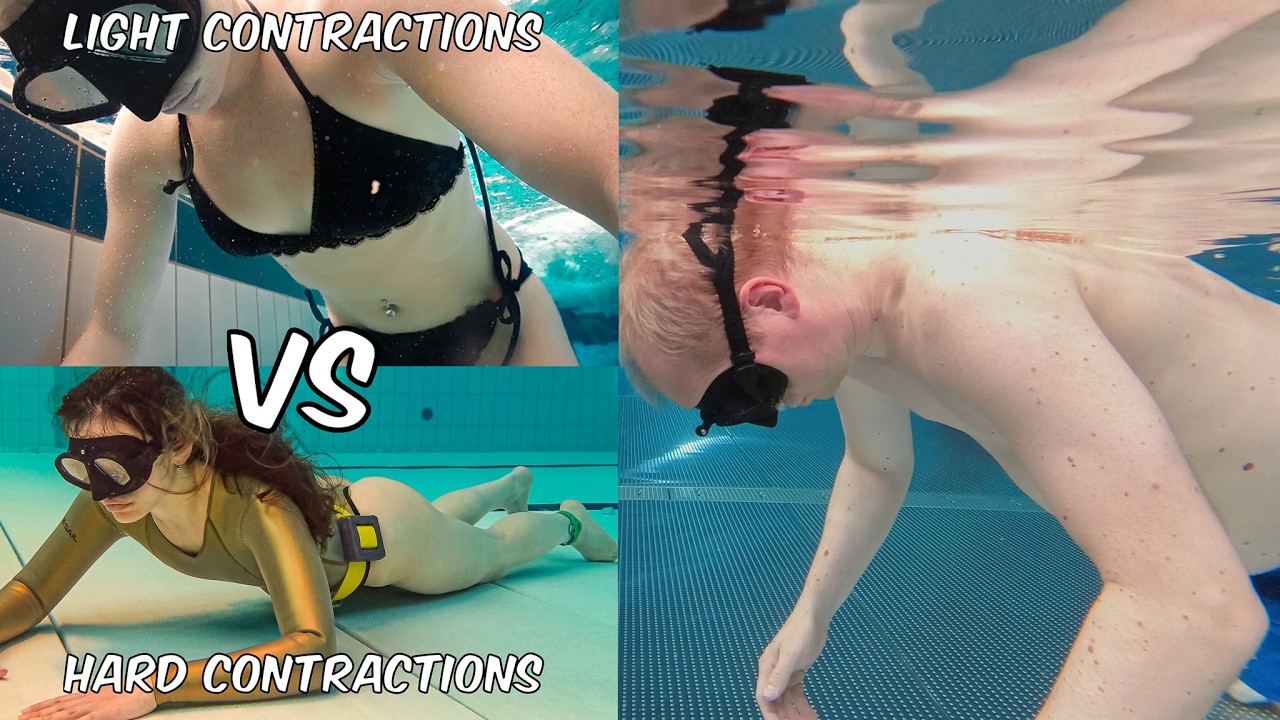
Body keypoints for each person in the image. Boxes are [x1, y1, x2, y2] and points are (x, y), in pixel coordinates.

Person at [618, 226, 1280, 720]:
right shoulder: (852, 326)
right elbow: (875, 466)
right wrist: (810, 618)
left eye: (743, 392)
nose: (764, 414)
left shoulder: (967, 293)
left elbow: (1190, 608)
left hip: (1228, 569)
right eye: (725, 414)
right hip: (1240, 555)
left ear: (769, 299)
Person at [0, 0, 618, 366]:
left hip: (506, 324)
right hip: (353, 358)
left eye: (138, 31)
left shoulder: (365, 22)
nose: (146, 100)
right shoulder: (148, 147)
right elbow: (113, 333)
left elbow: (619, 169)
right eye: (79, 77)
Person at [0, 367, 618, 718]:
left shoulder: (258, 508)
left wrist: (153, 689)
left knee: (491, 556)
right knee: (451, 526)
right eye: (82, 466)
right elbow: (33, 590)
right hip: (348, 512)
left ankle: (568, 523)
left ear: (180, 446)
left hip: (389, 541)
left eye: (118, 462)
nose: (102, 487)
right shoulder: (114, 496)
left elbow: (315, 652)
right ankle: (504, 487)